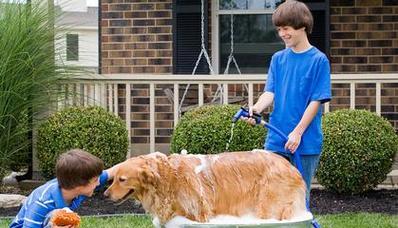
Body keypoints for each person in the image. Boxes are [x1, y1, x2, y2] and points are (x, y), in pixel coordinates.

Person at [243, 0, 331, 201]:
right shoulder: (278, 59)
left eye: (286, 28)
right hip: (276, 137)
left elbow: (316, 101)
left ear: (302, 26)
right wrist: (255, 109)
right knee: (272, 195)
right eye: (279, 29)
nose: (282, 33)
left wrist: (298, 133)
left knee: (298, 198)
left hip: (305, 141)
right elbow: (270, 92)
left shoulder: (318, 60)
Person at [10, 149, 119, 228]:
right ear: (79, 184)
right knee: (56, 214)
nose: (99, 182)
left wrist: (134, 162)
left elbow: (113, 172)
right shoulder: (42, 202)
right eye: (95, 180)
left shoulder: (75, 189)